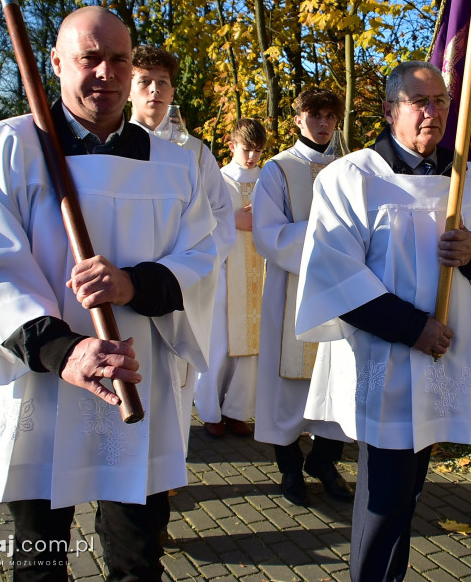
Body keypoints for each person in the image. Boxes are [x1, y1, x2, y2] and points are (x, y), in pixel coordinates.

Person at [0, 7, 220, 582]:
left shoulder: (175, 163)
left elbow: (204, 255)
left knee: (138, 557)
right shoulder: (8, 148)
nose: (106, 72)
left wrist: (134, 282)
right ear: (57, 63)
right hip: (43, 383)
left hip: (138, 377)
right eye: (90, 57)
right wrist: (65, 351)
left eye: (119, 59)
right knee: (40, 559)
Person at [295, 61, 471, 582]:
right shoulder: (350, 179)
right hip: (386, 355)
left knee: (409, 488)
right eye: (420, 101)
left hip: (444, 356)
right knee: (385, 493)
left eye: (441, 101)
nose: (433, 111)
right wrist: (412, 327)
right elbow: (335, 276)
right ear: (389, 110)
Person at [129, 44, 237, 441]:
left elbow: (222, 218)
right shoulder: (109, 149)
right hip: (124, 284)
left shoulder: (194, 153)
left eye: (163, 83)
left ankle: (168, 468)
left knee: (175, 380)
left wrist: (190, 267)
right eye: (144, 82)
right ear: (128, 88)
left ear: (173, 92)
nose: (154, 90)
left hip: (178, 287)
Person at [252, 86, 353, 506]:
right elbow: (269, 234)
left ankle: (325, 460)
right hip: (289, 290)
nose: (324, 123)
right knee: (286, 387)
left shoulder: (351, 169)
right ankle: (290, 468)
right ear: (298, 118)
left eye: (331, 116)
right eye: (315, 115)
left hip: (341, 292)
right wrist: (328, 237)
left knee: (339, 380)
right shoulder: (277, 170)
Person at [194, 118, 267, 438]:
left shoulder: (268, 181)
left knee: (252, 348)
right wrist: (231, 219)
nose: (252, 157)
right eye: (247, 149)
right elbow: (197, 218)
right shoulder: (218, 180)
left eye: (258, 151)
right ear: (232, 144)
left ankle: (237, 410)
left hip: (260, 275)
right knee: (219, 345)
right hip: (224, 274)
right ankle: (210, 410)